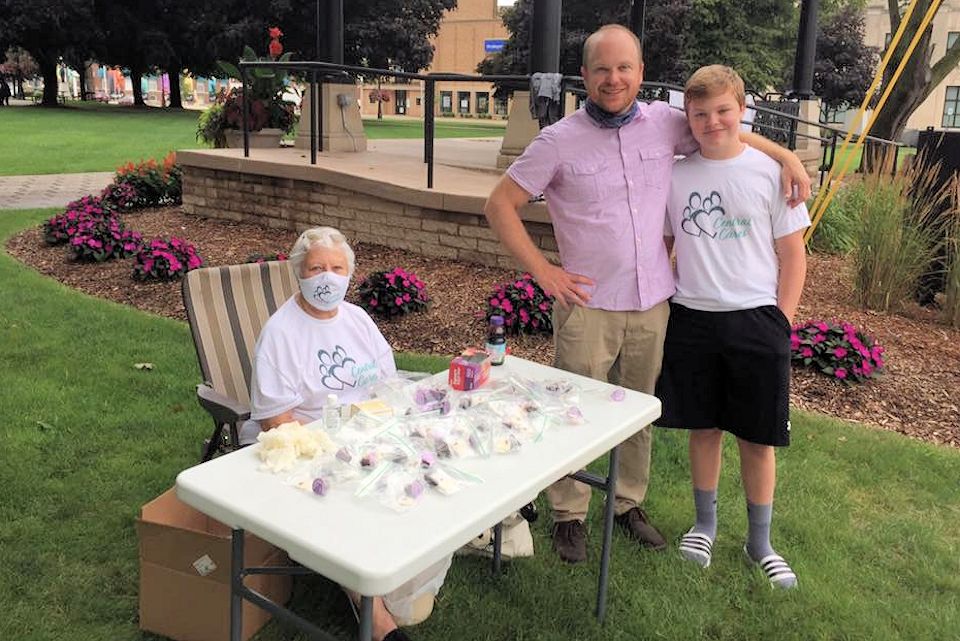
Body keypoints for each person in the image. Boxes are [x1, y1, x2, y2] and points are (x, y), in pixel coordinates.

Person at [482, 24, 811, 565]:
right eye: (603, 69)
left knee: (637, 412)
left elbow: (721, 128)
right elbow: (500, 205)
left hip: (655, 303)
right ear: (584, 75)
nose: (614, 79)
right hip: (588, 306)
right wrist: (544, 272)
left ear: (640, 71)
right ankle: (569, 514)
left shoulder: (664, 123)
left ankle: (627, 504)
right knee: (575, 412)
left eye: (625, 68)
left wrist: (786, 156)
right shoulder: (557, 140)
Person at [243, 226, 441, 641]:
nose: (327, 278)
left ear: (350, 273)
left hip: (370, 428)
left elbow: (390, 384)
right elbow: (276, 420)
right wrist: (330, 451)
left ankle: (401, 570)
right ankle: (376, 617)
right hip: (310, 442)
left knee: (423, 471)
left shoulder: (357, 319)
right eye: (316, 268)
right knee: (348, 501)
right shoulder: (281, 333)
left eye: (337, 268)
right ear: (299, 272)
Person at [656, 65, 809, 588]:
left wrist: (780, 322)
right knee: (704, 428)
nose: (712, 121)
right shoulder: (676, 175)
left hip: (756, 320)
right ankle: (704, 524)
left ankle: (760, 541)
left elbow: (793, 256)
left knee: (757, 439)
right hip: (693, 317)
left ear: (743, 112)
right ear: (688, 118)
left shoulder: (771, 175)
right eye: (700, 114)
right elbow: (666, 245)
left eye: (723, 111)